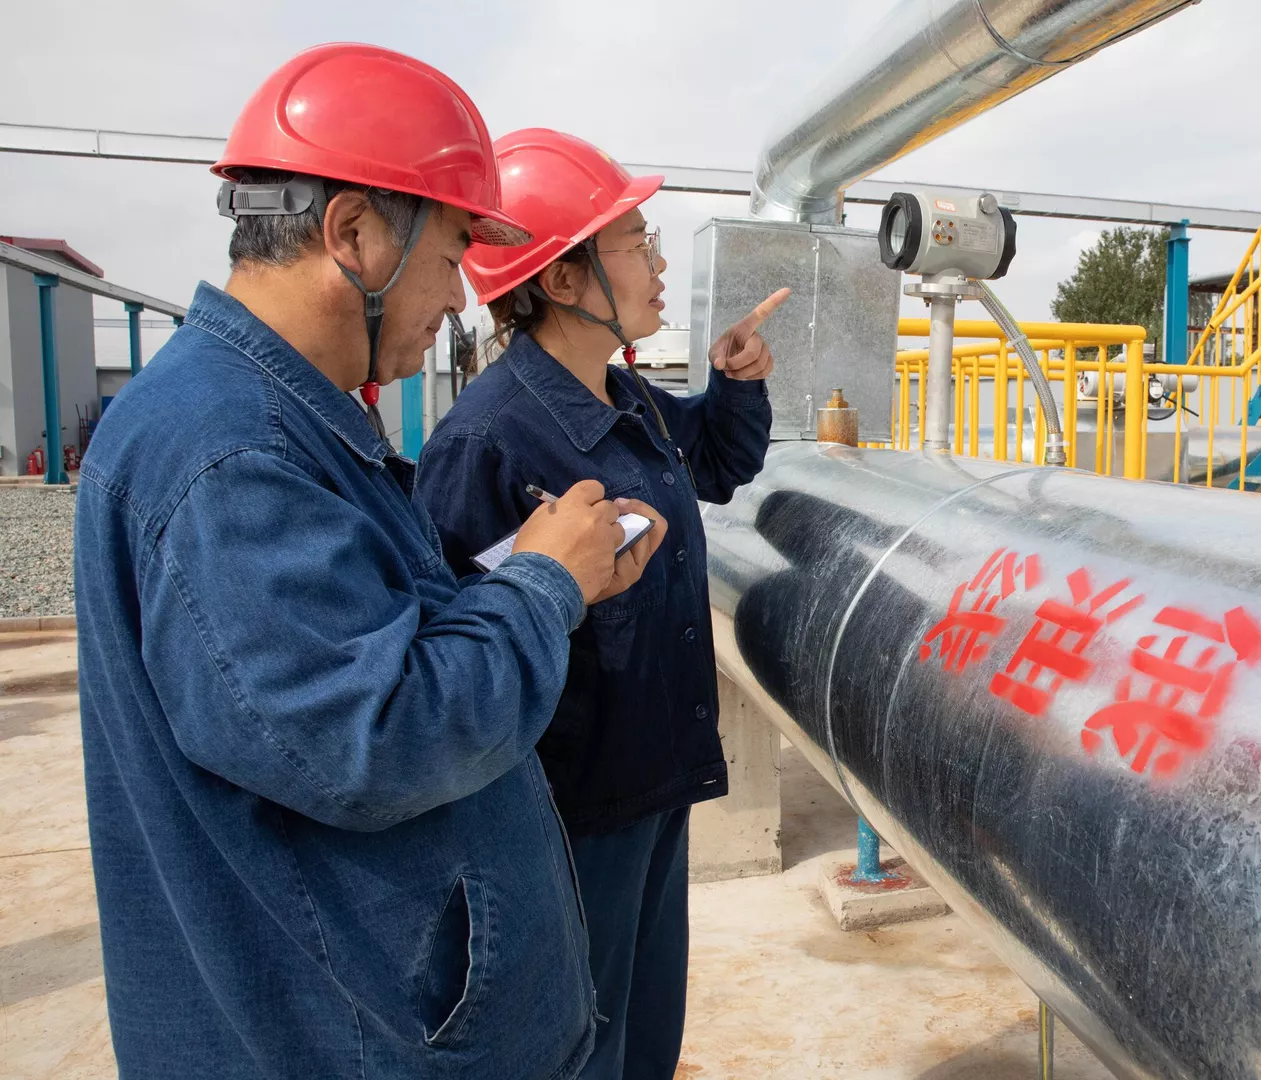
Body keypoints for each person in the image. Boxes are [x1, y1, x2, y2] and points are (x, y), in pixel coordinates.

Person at [74, 46, 664, 1080]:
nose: (461, 296)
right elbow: (376, 736)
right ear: (354, 234)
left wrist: (516, 581)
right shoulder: (233, 454)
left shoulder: (268, 421)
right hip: (350, 1041)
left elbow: (326, 675)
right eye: (449, 255)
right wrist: (544, 585)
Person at [413, 128, 783, 1080]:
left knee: (644, 1034)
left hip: (652, 779)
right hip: (569, 812)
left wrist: (734, 383)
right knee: (580, 1046)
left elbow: (719, 463)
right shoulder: (486, 443)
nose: (658, 265)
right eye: (636, 244)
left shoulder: (630, 400)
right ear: (566, 280)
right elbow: (455, 652)